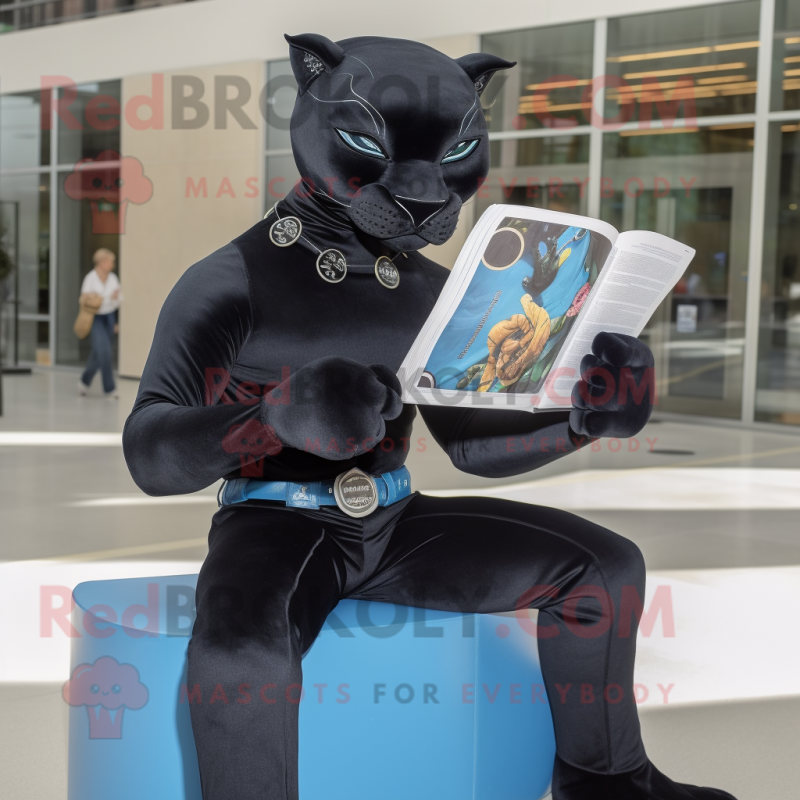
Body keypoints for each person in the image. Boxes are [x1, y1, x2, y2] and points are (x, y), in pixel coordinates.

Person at [123, 34, 737, 800]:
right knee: (238, 651)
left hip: (396, 521)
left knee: (605, 569)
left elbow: (472, 448)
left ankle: (608, 781)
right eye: (364, 144)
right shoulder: (229, 280)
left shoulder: (431, 291)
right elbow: (148, 452)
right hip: (272, 527)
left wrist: (586, 419)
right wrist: (271, 420)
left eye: (453, 158)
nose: (420, 191)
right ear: (309, 112)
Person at [78, 248, 122, 399]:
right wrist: (106, 297)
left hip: (109, 317)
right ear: (102, 262)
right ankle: (110, 389)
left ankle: (84, 382)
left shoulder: (113, 278)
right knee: (105, 352)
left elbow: (119, 301)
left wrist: (113, 299)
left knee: (98, 354)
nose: (112, 264)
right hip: (95, 318)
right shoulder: (90, 278)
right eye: (110, 261)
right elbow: (84, 298)